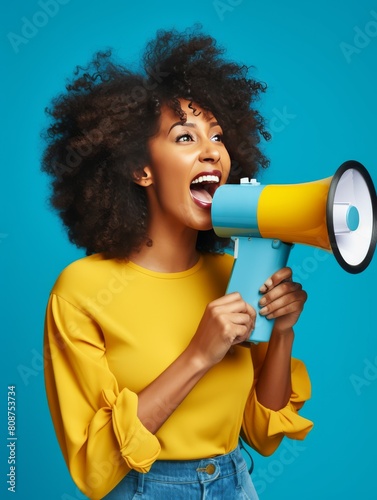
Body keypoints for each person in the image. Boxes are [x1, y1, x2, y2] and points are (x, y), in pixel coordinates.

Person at [41, 27, 313, 500]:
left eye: (218, 137)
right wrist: (199, 354)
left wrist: (283, 331)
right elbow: (94, 466)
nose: (211, 151)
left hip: (237, 483)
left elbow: (263, 433)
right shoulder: (81, 290)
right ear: (140, 168)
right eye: (185, 137)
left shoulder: (233, 275)